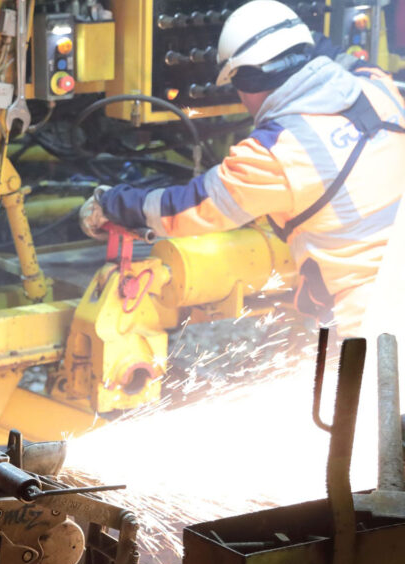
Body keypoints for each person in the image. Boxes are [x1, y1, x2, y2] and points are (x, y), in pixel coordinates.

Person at [79, 0, 405, 338]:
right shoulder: (380, 88)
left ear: (245, 85)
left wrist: (114, 204)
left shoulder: (274, 153)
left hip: (370, 318)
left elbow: (190, 206)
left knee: (372, 390)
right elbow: (340, 59)